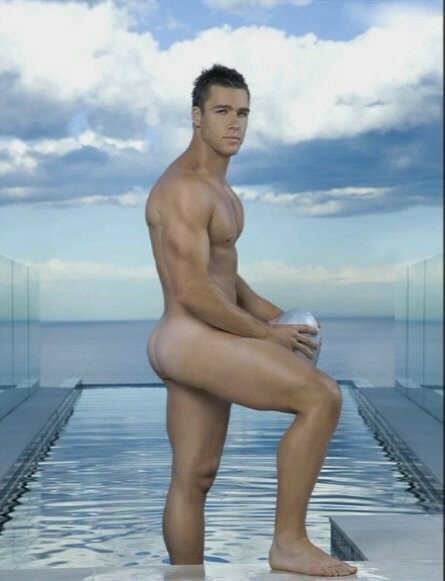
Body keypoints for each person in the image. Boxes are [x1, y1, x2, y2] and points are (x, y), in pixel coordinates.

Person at [145, 64, 358, 577]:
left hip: (195, 336)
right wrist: (266, 335)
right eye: (222, 111)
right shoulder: (184, 189)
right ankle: (289, 542)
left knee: (195, 474)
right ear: (197, 116)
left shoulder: (221, 191)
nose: (234, 123)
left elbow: (226, 280)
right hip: (190, 335)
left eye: (242, 113)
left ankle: (185, 574)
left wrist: (278, 317)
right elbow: (193, 289)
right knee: (321, 397)